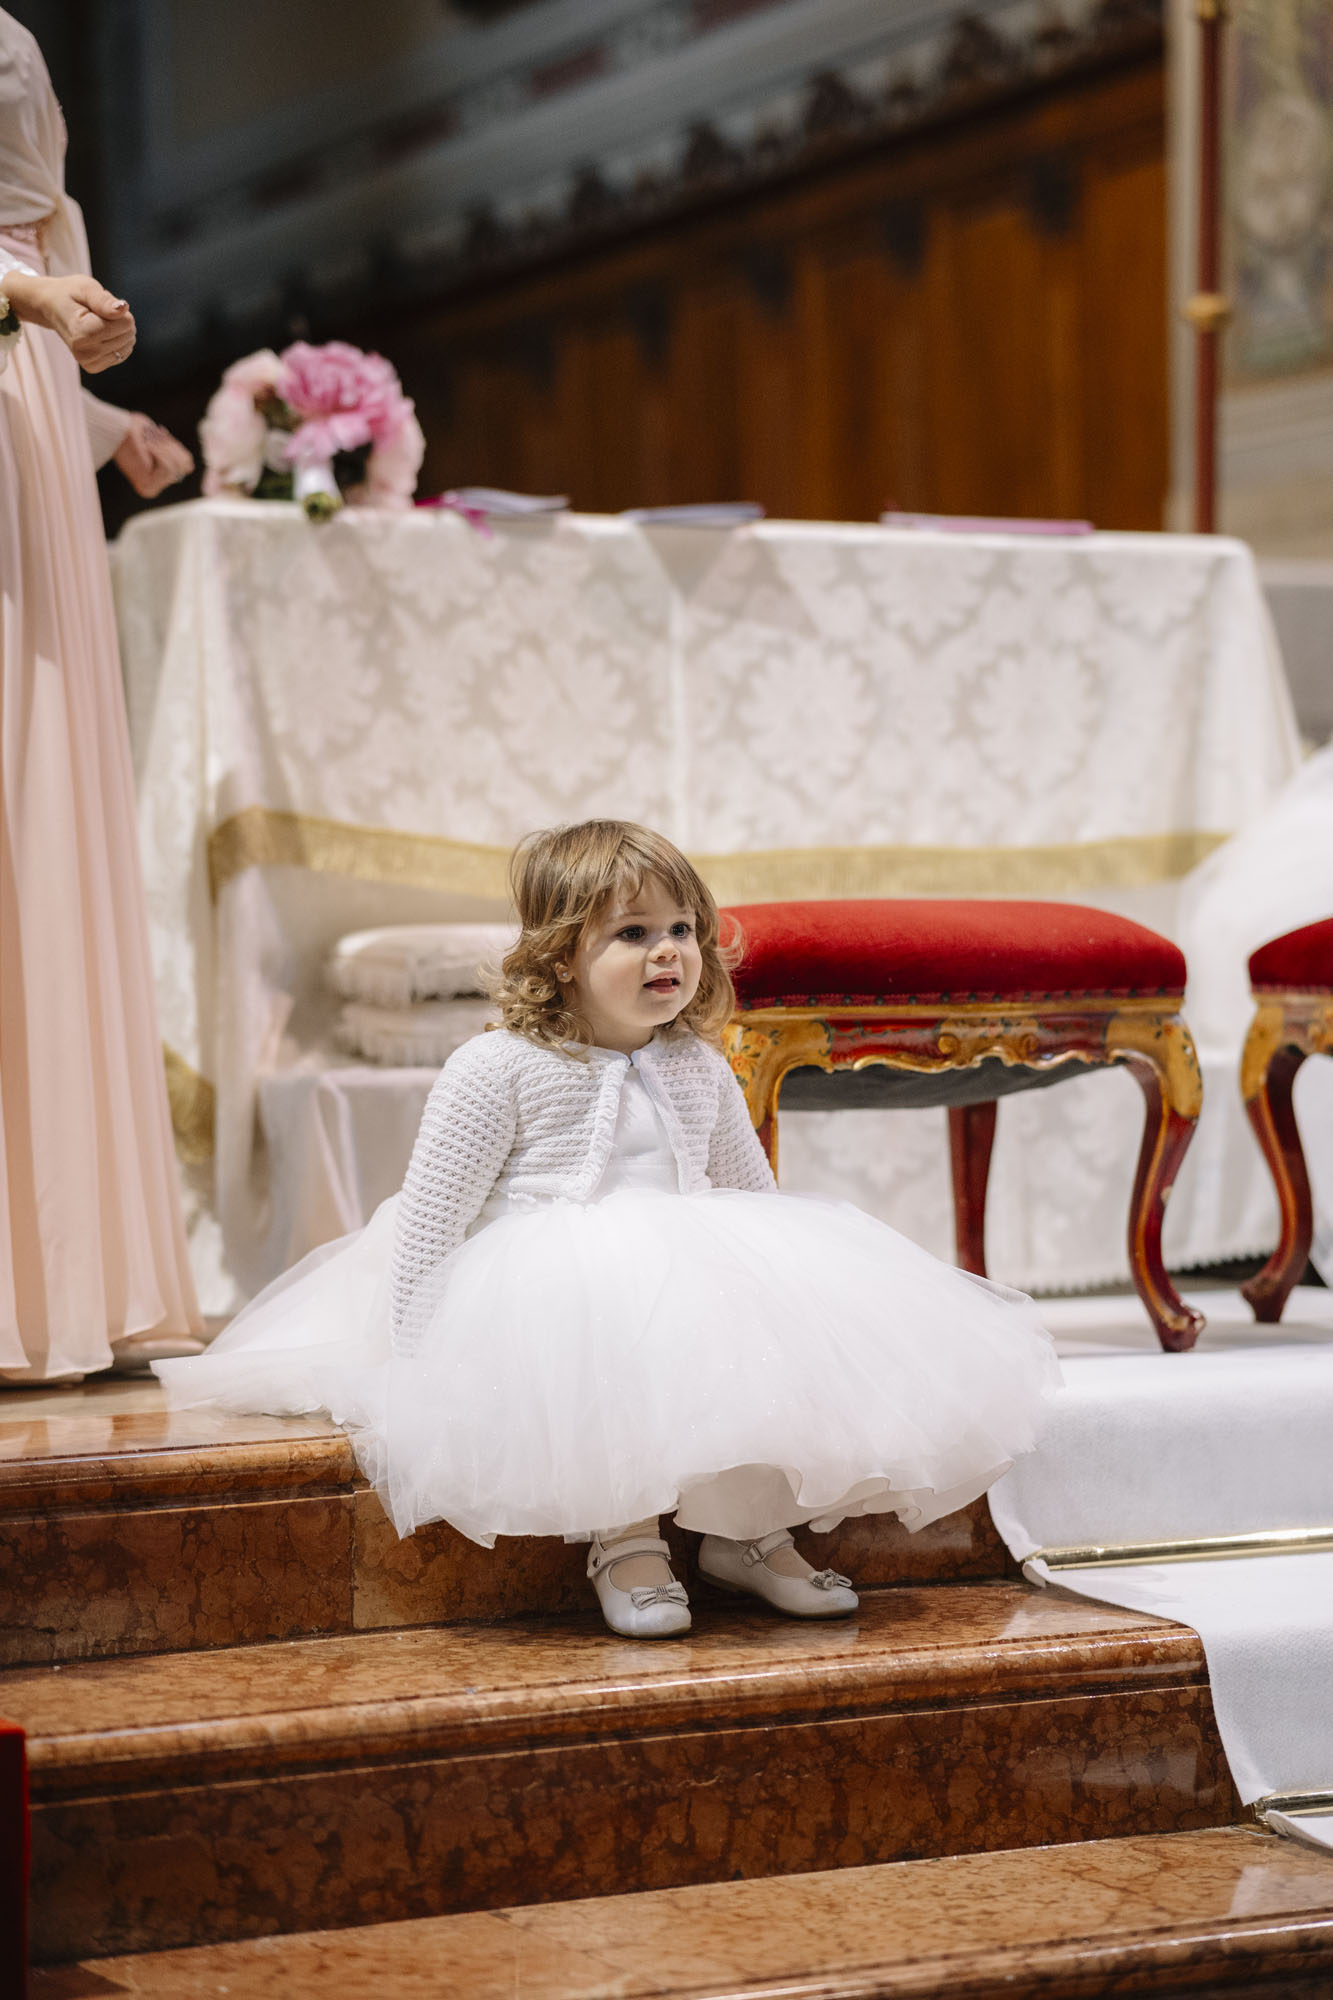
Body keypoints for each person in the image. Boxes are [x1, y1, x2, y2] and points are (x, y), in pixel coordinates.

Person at [157, 820, 1059, 1638]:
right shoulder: (497, 1067)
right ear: (558, 958)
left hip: (686, 1263)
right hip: (543, 1289)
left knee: (751, 1341)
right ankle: (624, 1540)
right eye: (632, 934)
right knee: (611, 1363)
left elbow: (752, 1192)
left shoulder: (697, 1066)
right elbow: (433, 1216)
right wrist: (418, 1349)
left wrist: (784, 1286)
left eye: (680, 931)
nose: (666, 951)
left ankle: (744, 1534)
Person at [1, 11, 202, 1380]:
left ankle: (55, 1263)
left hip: (25, 402)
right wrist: (28, 297)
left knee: (41, 804)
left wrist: (97, 415)